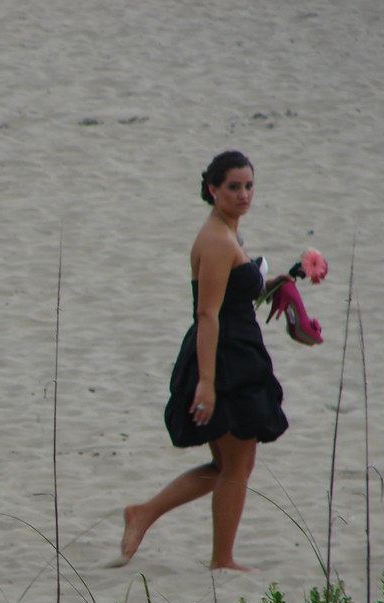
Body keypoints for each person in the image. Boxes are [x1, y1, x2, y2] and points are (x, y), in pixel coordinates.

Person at [112, 151, 289, 571]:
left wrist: (269, 286)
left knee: (230, 463)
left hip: (237, 349)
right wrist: (206, 383)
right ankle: (221, 559)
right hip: (223, 356)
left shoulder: (229, 234)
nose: (243, 194)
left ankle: (145, 513)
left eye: (248, 186)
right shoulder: (214, 240)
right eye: (233, 187)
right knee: (235, 465)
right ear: (212, 189)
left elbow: (231, 294)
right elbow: (207, 314)